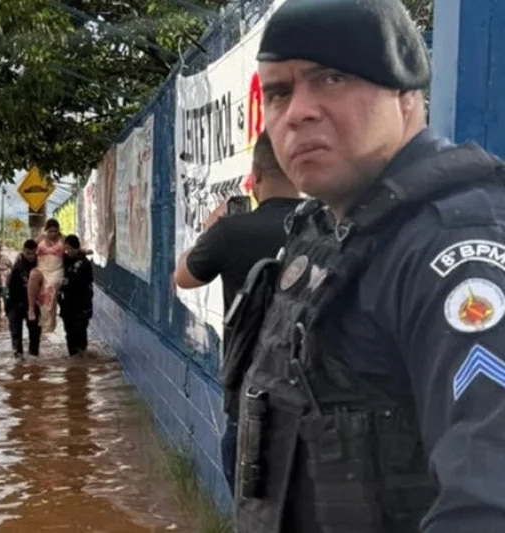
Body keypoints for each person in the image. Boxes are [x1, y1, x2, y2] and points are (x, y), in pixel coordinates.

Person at [224, 1, 505, 532]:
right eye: (280, 92)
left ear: (405, 95)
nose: (298, 112)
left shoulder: (454, 250)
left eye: (331, 78)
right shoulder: (324, 234)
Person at [173, 130, 302, 494]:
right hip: (315, 404)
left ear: (255, 176)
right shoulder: (327, 226)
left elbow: (182, 278)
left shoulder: (231, 231)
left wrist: (210, 231)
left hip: (252, 402)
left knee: (252, 513)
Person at [26, 219, 65, 332]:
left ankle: (48, 324)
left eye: (55, 231)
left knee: (49, 290)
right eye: (50, 231)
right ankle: (31, 308)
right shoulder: (41, 239)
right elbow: (29, 248)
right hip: (41, 268)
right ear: (46, 230)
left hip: (56, 270)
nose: (53, 234)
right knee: (33, 275)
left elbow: (73, 247)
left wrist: (83, 251)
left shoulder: (63, 238)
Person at [58, 234, 94, 357]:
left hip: (81, 304)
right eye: (66, 249)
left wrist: (65, 282)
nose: (67, 252)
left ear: (75, 248)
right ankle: (75, 360)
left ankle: (80, 359)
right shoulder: (66, 260)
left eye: (69, 249)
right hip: (68, 305)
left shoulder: (84, 264)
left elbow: (77, 282)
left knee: (80, 332)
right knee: (70, 333)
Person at [5, 239, 41, 358]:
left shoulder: (40, 264)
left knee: (35, 332)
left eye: (33, 253)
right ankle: (18, 359)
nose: (30, 256)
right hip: (14, 303)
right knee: (16, 333)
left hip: (32, 304)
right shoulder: (18, 266)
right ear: (23, 252)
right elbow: (8, 283)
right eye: (28, 253)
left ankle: (34, 359)